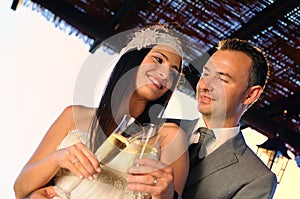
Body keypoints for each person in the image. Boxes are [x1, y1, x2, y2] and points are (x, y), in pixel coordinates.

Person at [13, 25, 189, 199]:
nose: (166, 74)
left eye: (174, 72)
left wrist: (166, 195)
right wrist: (57, 158)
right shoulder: (73, 115)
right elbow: (20, 188)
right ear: (134, 57)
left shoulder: (169, 137)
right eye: (158, 60)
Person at [126, 38, 277, 198]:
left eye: (221, 79)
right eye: (205, 74)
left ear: (250, 94)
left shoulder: (257, 179)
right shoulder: (156, 126)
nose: (205, 85)